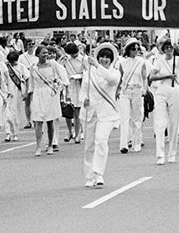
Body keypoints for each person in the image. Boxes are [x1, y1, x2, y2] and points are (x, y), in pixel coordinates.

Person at [79, 42, 123, 187]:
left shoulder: (114, 72)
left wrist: (97, 66)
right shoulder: (88, 73)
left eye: (107, 57)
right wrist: (83, 99)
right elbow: (84, 89)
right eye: (102, 57)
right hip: (90, 113)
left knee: (101, 140)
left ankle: (98, 173)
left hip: (107, 114)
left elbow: (112, 80)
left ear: (111, 60)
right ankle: (89, 176)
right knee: (89, 146)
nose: (104, 59)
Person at [147, 37, 179, 164]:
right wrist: (167, 76)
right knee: (160, 122)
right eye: (166, 48)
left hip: (175, 91)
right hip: (162, 91)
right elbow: (151, 76)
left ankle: (172, 154)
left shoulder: (178, 60)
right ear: (163, 49)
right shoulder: (159, 61)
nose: (169, 50)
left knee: (174, 123)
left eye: (170, 48)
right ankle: (160, 155)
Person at [29, 44, 66, 156]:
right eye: (43, 53)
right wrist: (30, 96)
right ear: (38, 54)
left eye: (47, 53)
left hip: (50, 94)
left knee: (50, 121)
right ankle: (38, 146)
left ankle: (50, 145)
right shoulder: (33, 67)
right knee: (38, 121)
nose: (46, 55)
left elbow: (62, 76)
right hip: (38, 94)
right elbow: (31, 84)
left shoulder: (53, 64)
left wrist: (59, 85)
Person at [116, 37, 149, 153]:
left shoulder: (142, 61)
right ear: (128, 50)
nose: (136, 51)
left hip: (137, 90)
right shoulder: (122, 62)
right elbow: (120, 78)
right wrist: (117, 91)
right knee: (124, 118)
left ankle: (137, 142)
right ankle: (123, 144)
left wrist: (145, 89)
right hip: (125, 91)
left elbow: (145, 78)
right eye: (133, 49)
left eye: (137, 48)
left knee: (137, 117)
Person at [60, 42, 86, 143]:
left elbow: (88, 72)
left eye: (74, 54)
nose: (73, 56)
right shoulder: (66, 59)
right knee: (67, 110)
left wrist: (80, 76)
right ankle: (70, 131)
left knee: (77, 111)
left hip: (79, 85)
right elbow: (60, 70)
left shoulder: (84, 59)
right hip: (68, 86)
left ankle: (77, 133)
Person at [2, 50, 29, 143]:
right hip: (7, 93)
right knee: (6, 114)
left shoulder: (21, 67)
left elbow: (27, 78)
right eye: (10, 61)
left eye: (13, 61)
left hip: (18, 93)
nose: (12, 63)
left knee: (16, 113)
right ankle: (8, 133)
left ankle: (15, 133)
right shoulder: (5, 67)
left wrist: (26, 93)